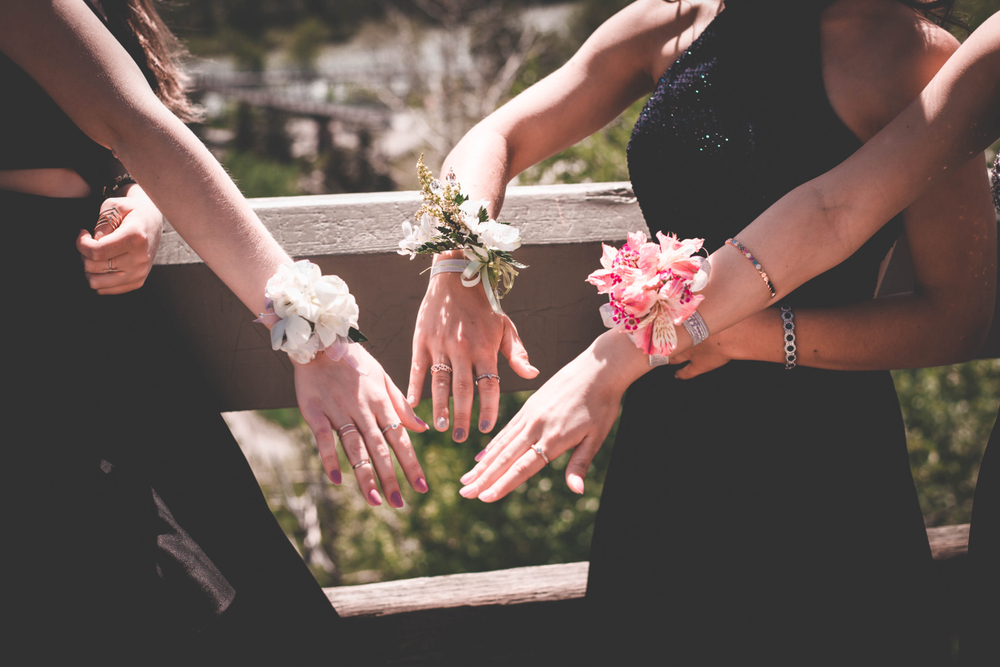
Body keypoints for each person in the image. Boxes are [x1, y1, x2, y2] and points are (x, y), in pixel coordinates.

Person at [411, 0, 996, 661]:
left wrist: (738, 336)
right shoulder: (672, 20)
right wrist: (458, 265)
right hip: (668, 446)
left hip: (825, 463)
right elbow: (495, 136)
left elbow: (956, 319)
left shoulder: (910, 55)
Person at [0, 0, 427, 660]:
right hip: (33, 347)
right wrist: (316, 331)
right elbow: (133, 124)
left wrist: (143, 202)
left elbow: (132, 132)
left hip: (110, 341)